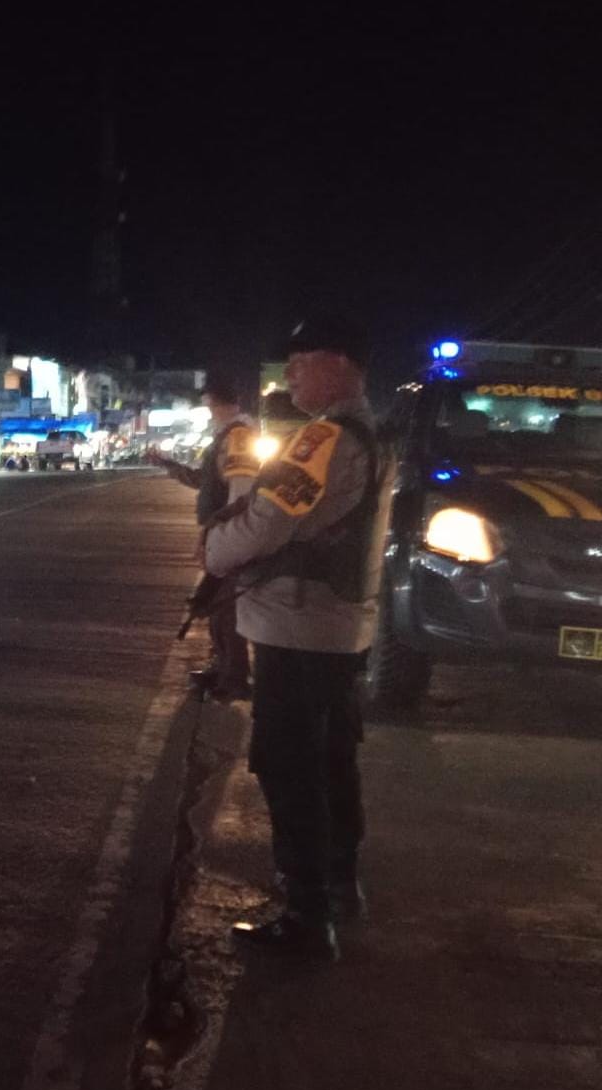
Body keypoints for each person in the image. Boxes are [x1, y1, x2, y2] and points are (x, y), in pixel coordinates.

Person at [202, 315, 393, 961]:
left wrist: (213, 551)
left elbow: (265, 524)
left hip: (299, 623)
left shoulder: (323, 439)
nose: (289, 376)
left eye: (300, 361)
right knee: (332, 757)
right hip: (335, 625)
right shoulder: (371, 433)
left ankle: (307, 916)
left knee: (289, 764)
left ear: (338, 362)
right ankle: (338, 884)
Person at [146, 382, 259, 698]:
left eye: (209, 406)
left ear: (222, 403)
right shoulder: (227, 436)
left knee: (225, 608)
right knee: (215, 605)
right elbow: (206, 481)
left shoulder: (239, 437)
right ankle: (223, 669)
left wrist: (218, 530)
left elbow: (241, 493)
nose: (208, 413)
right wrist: (169, 465)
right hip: (222, 534)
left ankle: (233, 678)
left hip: (229, 535)